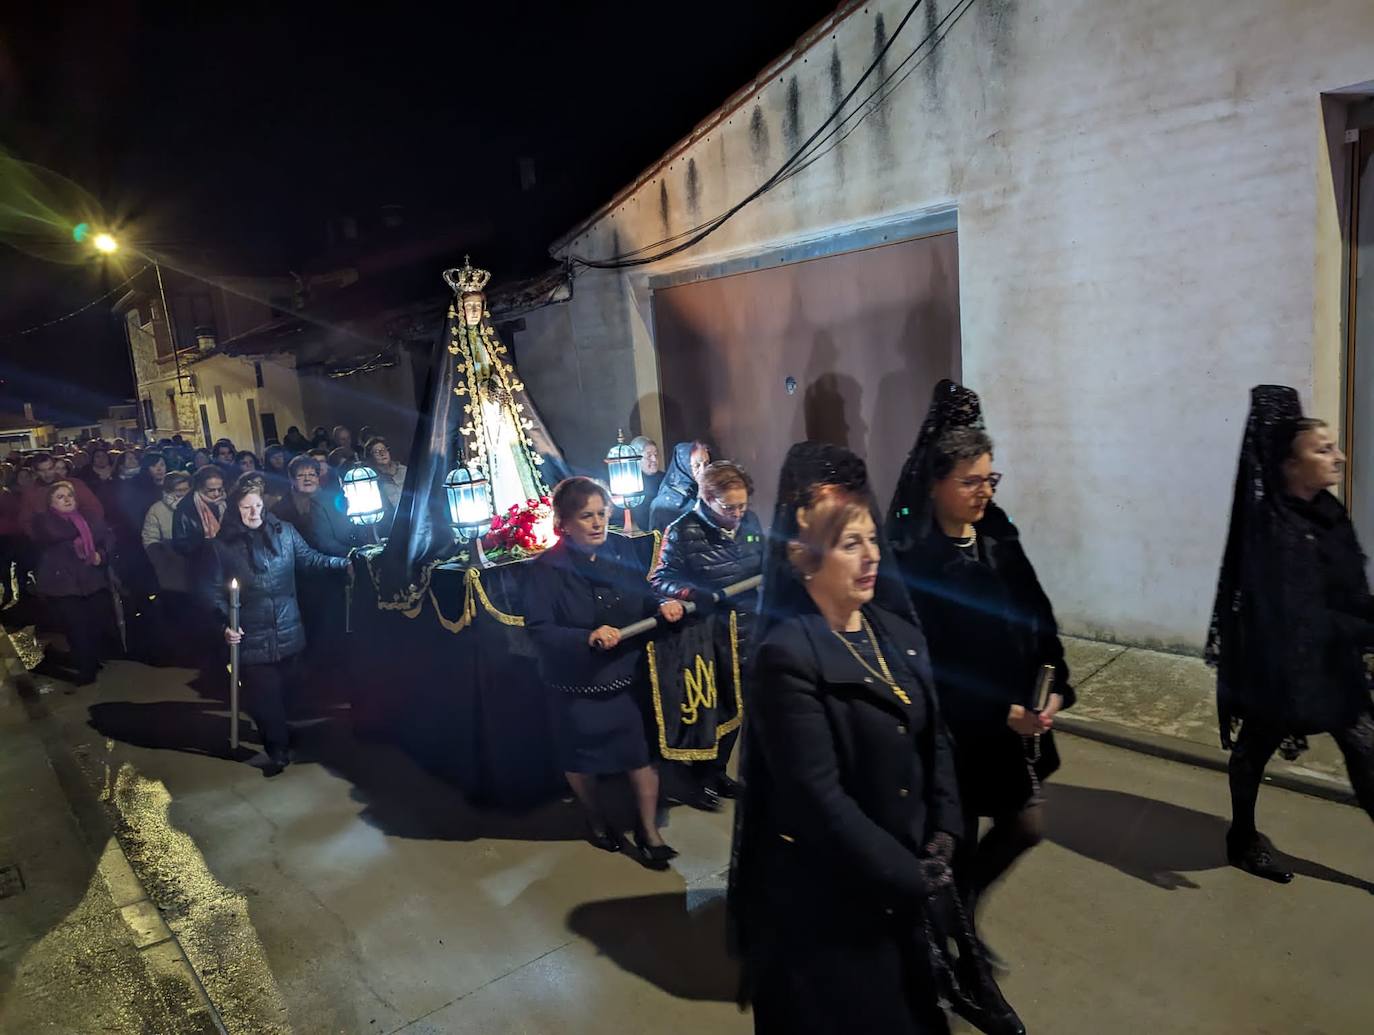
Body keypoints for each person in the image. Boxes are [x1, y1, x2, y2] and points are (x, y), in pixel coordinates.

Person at [729, 442, 1012, 1035]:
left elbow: (933, 735)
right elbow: (816, 796)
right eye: (844, 537)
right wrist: (911, 876)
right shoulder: (787, 655)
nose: (867, 555)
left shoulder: (895, 630)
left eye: (868, 535)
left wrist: (946, 833)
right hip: (838, 897)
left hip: (900, 878)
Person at [888, 381, 1071, 966]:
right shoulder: (916, 563)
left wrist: (1057, 686)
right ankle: (949, 942)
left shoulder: (999, 539)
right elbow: (925, 664)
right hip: (954, 733)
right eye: (971, 481)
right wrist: (999, 711)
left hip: (1013, 727)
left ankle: (957, 913)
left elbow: (1039, 618)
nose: (984, 492)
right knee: (955, 840)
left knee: (1024, 825)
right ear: (936, 483)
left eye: (991, 479)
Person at [1206, 385, 1374, 883]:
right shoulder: (1271, 533)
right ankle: (1241, 837)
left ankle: (1241, 835)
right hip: (1278, 671)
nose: (1339, 456)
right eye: (1323, 449)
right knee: (1254, 751)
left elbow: (1346, 594)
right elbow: (1300, 614)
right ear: (1288, 465)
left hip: (1329, 666)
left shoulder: (1327, 513)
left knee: (1365, 749)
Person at [524, 476, 686, 865]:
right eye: (586, 516)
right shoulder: (545, 570)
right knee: (581, 758)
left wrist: (661, 605)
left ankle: (648, 830)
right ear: (564, 523)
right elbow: (539, 628)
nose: (597, 523)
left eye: (602, 514)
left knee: (641, 754)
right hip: (576, 682)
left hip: (626, 676)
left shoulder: (621, 550)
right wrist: (586, 637)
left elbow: (641, 593)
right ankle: (595, 819)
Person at [207, 484, 352, 775]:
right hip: (251, 633)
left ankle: (286, 735)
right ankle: (277, 749)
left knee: (289, 690)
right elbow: (211, 592)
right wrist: (224, 625)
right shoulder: (221, 546)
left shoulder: (284, 533)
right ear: (236, 509)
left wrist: (343, 563)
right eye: (247, 507)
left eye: (258, 506)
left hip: (288, 627)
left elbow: (310, 559)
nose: (254, 513)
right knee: (266, 694)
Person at [651, 460, 764, 806]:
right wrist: (690, 593)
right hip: (707, 635)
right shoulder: (683, 530)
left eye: (742, 505)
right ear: (707, 499)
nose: (738, 513)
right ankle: (695, 779)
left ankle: (716, 773)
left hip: (747, 627)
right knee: (709, 710)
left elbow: (762, 561)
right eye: (729, 507)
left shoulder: (751, 521)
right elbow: (660, 578)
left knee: (739, 707)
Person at [32, 481, 116, 685]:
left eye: (69, 495)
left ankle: (92, 658)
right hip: (63, 584)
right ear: (51, 503)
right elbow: (56, 534)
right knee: (76, 627)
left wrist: (101, 555)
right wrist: (83, 530)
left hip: (91, 581)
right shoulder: (44, 521)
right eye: (60, 497)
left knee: (95, 623)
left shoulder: (88, 518)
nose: (67, 499)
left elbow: (108, 537)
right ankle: (85, 669)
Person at [21, 452, 104, 532]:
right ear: (35, 471)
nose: (47, 474)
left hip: (79, 536)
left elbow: (94, 508)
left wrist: (81, 528)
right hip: (48, 542)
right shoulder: (30, 493)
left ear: (54, 467)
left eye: (50, 469)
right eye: (42, 471)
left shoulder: (74, 484)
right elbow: (26, 521)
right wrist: (41, 536)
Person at [648, 440, 710, 531]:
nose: (704, 470)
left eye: (706, 464)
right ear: (684, 465)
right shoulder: (662, 504)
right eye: (697, 465)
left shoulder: (708, 493)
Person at [173, 466, 227, 555]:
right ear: (199, 487)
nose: (217, 494)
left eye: (219, 489)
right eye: (211, 490)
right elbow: (180, 545)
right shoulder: (185, 509)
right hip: (199, 559)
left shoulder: (226, 504)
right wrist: (207, 544)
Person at [625, 435, 663, 532]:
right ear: (636, 459)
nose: (654, 459)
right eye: (649, 455)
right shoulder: (628, 481)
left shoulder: (665, 478)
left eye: (656, 454)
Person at [365, 437, 408, 511]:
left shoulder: (405, 470)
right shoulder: (374, 481)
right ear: (370, 457)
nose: (382, 454)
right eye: (377, 452)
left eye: (384, 449)